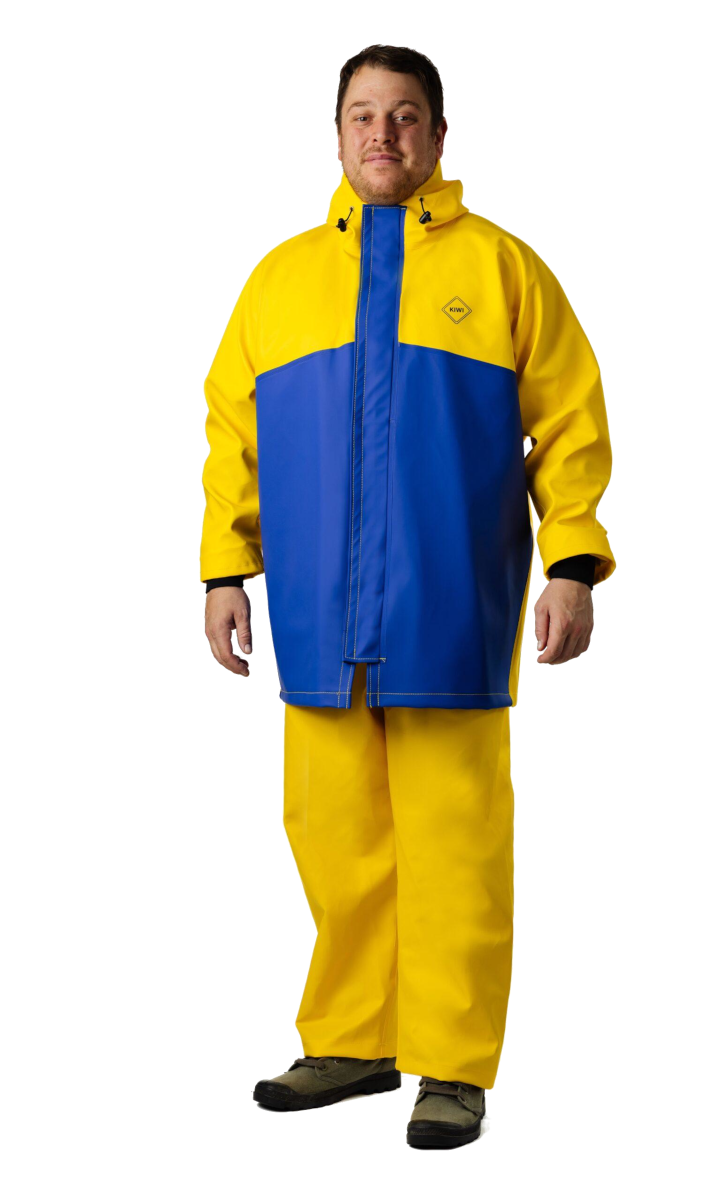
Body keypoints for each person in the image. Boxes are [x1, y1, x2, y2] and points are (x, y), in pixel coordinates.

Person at [200, 44, 615, 1149]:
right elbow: (231, 444)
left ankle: (452, 1064)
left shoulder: (503, 269)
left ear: (437, 136)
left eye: (404, 115)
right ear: (336, 134)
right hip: (314, 612)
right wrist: (223, 570)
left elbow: (570, 426)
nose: (381, 134)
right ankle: (350, 1040)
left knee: (454, 843)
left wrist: (571, 564)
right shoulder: (278, 282)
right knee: (331, 838)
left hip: (452, 605)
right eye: (361, 114)